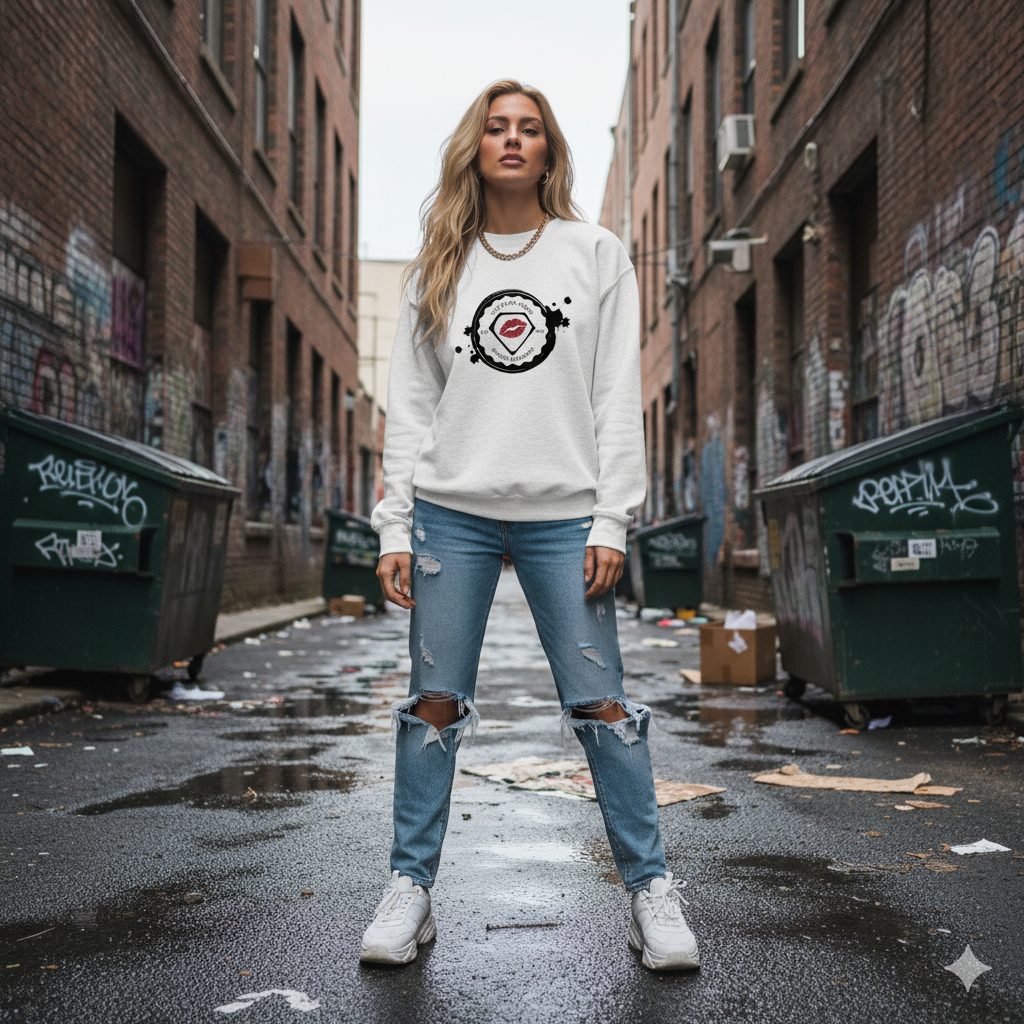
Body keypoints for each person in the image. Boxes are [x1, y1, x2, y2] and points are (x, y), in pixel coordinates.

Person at [361, 79, 699, 972]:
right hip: (450, 515)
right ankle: (410, 891)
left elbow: (615, 396)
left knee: (603, 705)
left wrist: (613, 519)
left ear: (550, 150)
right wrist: (395, 527)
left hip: (563, 515)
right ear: (475, 144)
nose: (513, 140)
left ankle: (651, 894)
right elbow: (412, 404)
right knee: (433, 705)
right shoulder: (438, 261)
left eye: (531, 129)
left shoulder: (595, 253)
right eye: (497, 127)